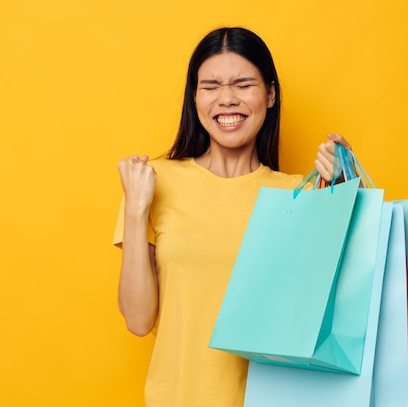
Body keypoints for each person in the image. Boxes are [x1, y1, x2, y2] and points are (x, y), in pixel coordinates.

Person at [113, 27, 352, 407]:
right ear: (195, 97)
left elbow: (336, 309)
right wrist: (137, 208)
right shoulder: (154, 182)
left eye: (243, 85)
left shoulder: (302, 193)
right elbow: (139, 321)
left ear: (270, 94)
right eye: (210, 86)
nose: (227, 99)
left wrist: (343, 192)